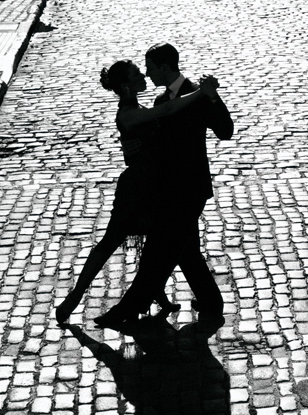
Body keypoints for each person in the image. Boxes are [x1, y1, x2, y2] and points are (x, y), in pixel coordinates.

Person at [55, 59, 218, 325]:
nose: (143, 75)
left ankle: (156, 294)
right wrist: (201, 92)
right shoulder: (127, 114)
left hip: (155, 187)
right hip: (136, 191)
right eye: (136, 74)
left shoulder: (138, 107)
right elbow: (168, 110)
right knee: (110, 242)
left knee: (161, 242)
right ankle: (74, 297)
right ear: (126, 86)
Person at [93, 43, 234, 328]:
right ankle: (210, 300)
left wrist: (213, 97)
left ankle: (127, 309)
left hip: (189, 189)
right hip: (169, 190)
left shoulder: (196, 93)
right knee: (186, 250)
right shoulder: (160, 101)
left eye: (150, 67)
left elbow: (226, 130)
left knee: (159, 251)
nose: (146, 72)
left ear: (164, 67)